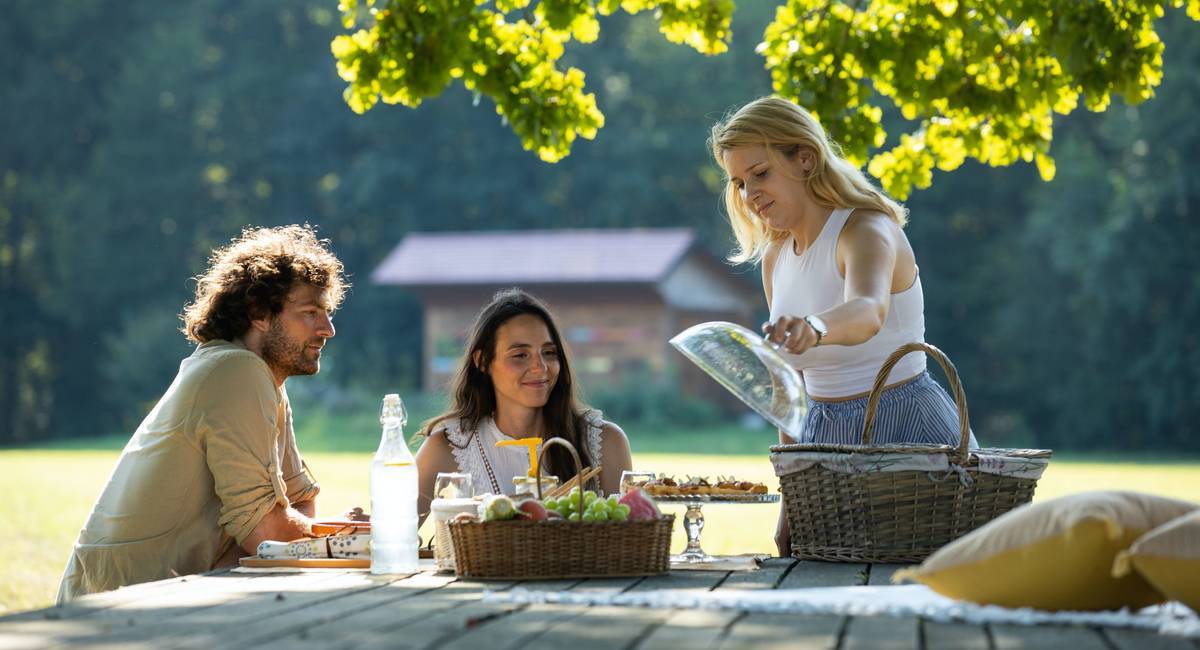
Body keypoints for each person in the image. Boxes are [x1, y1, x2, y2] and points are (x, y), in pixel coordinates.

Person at [708, 97, 978, 556]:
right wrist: (791, 497)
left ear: (805, 158)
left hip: (907, 426)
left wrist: (813, 326)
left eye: (761, 173)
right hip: (820, 441)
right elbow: (789, 386)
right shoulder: (775, 257)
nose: (749, 194)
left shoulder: (866, 229)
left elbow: (868, 310)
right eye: (739, 183)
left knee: (921, 580)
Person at [57, 224, 347, 603]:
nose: (328, 329)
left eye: (327, 312)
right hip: (117, 608)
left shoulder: (263, 377)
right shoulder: (236, 371)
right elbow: (267, 535)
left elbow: (297, 503)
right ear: (259, 313)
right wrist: (347, 538)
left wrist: (328, 535)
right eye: (310, 312)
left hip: (164, 599)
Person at [414, 288, 632, 520]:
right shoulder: (447, 447)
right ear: (483, 361)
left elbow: (634, 538)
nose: (541, 367)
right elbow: (395, 531)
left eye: (549, 352)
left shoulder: (606, 443)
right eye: (520, 355)